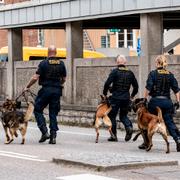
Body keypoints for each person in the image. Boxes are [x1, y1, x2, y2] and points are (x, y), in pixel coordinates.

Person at [24, 45, 67, 144]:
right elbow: (64, 79)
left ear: (48, 53)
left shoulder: (43, 63)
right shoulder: (61, 64)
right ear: (56, 52)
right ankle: (53, 136)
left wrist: (27, 86)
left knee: (38, 109)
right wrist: (58, 85)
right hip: (57, 91)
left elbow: (35, 78)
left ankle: (44, 132)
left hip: (46, 90)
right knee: (53, 113)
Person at [141, 55, 180, 152]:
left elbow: (148, 87)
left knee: (149, 120)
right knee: (169, 122)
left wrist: (145, 99)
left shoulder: (153, 74)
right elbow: (176, 90)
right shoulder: (170, 74)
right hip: (167, 102)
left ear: (157, 63)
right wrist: (178, 101)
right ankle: (178, 140)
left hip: (155, 103)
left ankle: (146, 143)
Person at [103, 55, 138, 142]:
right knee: (123, 116)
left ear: (117, 63)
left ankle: (114, 136)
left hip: (115, 98)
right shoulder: (130, 73)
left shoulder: (115, 72)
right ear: (125, 63)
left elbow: (107, 83)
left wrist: (105, 94)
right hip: (126, 98)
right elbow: (136, 87)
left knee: (112, 116)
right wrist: (132, 96)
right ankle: (129, 127)